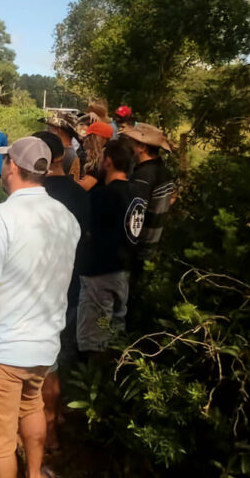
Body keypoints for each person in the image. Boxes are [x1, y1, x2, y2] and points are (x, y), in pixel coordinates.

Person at [0, 137, 80, 478]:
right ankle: (34, 472)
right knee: (32, 408)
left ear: (12, 166)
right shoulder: (66, 218)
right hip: (43, 346)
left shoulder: (1, 217)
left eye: (5, 161)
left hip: (2, 349)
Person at [32, 131, 90, 451]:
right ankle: (56, 422)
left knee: (39, 367)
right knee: (60, 359)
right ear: (60, 156)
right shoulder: (80, 194)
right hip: (71, 286)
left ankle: (38, 430)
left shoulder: (32, 195)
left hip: (37, 291)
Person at [77, 140, 145, 353]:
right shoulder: (137, 194)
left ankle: (92, 380)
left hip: (99, 271)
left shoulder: (101, 196)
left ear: (108, 162)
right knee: (116, 327)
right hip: (125, 269)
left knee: (93, 337)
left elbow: (87, 231)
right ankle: (113, 375)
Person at [122, 123, 176, 270]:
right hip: (153, 245)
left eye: (132, 143)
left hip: (139, 250)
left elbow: (134, 215)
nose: (129, 146)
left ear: (142, 147)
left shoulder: (143, 177)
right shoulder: (163, 171)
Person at [40, 111, 81, 181]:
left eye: (50, 128)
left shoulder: (65, 155)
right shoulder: (71, 153)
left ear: (58, 130)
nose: (48, 130)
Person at [77, 121, 113, 191]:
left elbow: (85, 186)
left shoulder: (103, 158)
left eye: (90, 137)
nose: (86, 140)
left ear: (98, 139)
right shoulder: (99, 156)